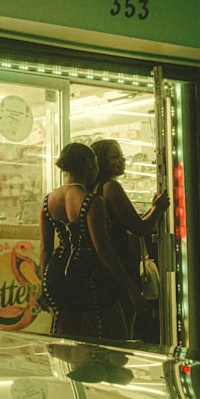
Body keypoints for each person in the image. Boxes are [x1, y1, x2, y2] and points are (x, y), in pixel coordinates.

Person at [39, 142, 142, 340]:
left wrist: (43, 285)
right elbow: (103, 250)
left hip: (58, 273)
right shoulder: (92, 201)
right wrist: (130, 286)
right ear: (87, 165)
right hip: (89, 277)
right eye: (95, 163)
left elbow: (45, 248)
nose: (97, 169)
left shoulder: (48, 201)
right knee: (112, 336)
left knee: (65, 337)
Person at [90, 139, 170, 341]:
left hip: (102, 270)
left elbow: (127, 223)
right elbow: (139, 228)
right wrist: (158, 208)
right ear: (100, 161)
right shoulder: (111, 188)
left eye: (121, 156)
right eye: (115, 156)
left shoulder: (94, 190)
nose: (122, 160)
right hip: (121, 268)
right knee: (124, 330)